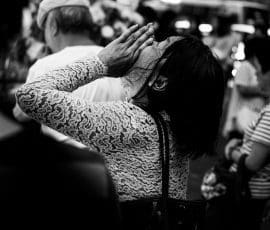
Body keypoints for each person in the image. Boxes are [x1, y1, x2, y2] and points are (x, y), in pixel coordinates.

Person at [16, 23, 225, 230]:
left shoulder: (130, 123)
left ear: (160, 82)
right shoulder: (177, 125)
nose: (148, 43)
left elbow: (29, 95)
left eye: (158, 46)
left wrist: (101, 63)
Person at [13, 0, 125, 148]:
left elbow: (20, 114)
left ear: (53, 27)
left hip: (68, 165)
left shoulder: (45, 66)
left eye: (45, 29)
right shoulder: (119, 60)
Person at [224, 37, 270, 230]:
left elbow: (252, 163)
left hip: (251, 192)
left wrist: (231, 152)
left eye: (260, 73)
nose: (257, 76)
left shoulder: (269, 114)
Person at [223, 37, 267, 139]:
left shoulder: (256, 68)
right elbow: (242, 89)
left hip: (250, 121)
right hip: (240, 122)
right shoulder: (245, 66)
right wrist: (264, 91)